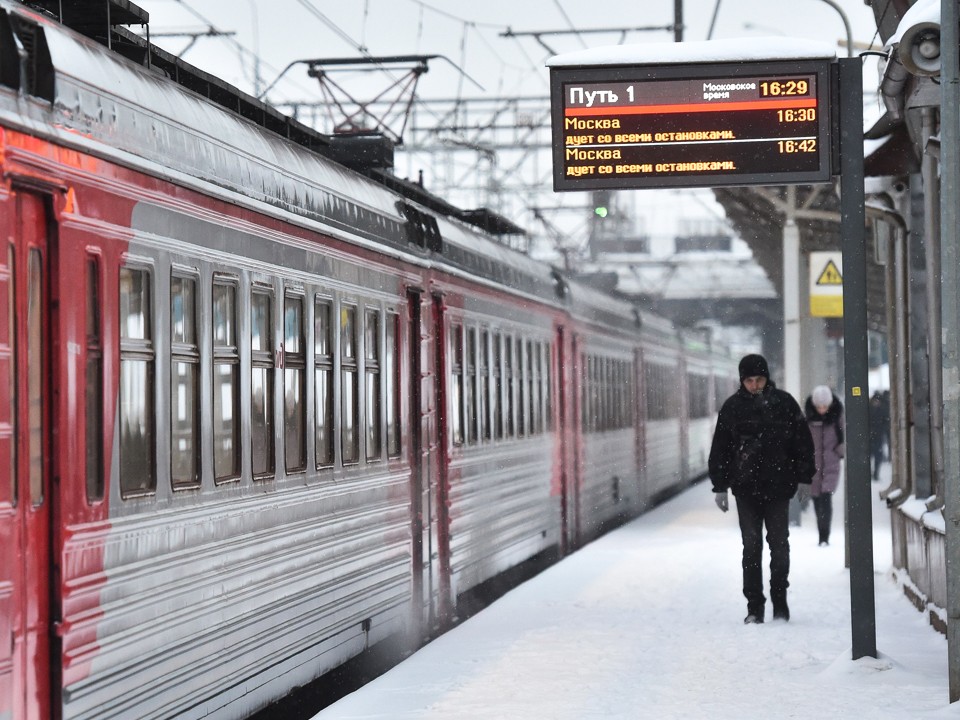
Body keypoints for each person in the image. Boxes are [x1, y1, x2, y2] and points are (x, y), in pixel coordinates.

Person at [709, 354, 815, 624]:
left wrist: (804, 477)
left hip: (779, 488)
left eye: (759, 379)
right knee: (751, 547)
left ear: (767, 378)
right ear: (742, 381)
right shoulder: (732, 408)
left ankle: (780, 602)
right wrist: (719, 485)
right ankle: (754, 606)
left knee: (779, 546)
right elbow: (720, 448)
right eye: (749, 380)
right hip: (746, 489)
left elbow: (802, 443)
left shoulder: (785, 404)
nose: (754, 385)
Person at [804, 385, 844, 547]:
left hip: (830, 463)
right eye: (818, 406)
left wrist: (838, 452)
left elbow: (844, 436)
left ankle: (824, 536)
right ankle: (821, 532)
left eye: (824, 406)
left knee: (826, 498)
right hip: (812, 465)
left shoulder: (837, 416)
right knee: (816, 499)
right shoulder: (807, 418)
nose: (821, 410)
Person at [869, 392, 885, 481]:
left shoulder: (880, 410)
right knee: (871, 457)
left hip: (878, 437)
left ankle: (876, 473)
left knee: (877, 457)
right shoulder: (870, 409)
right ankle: (872, 473)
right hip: (872, 437)